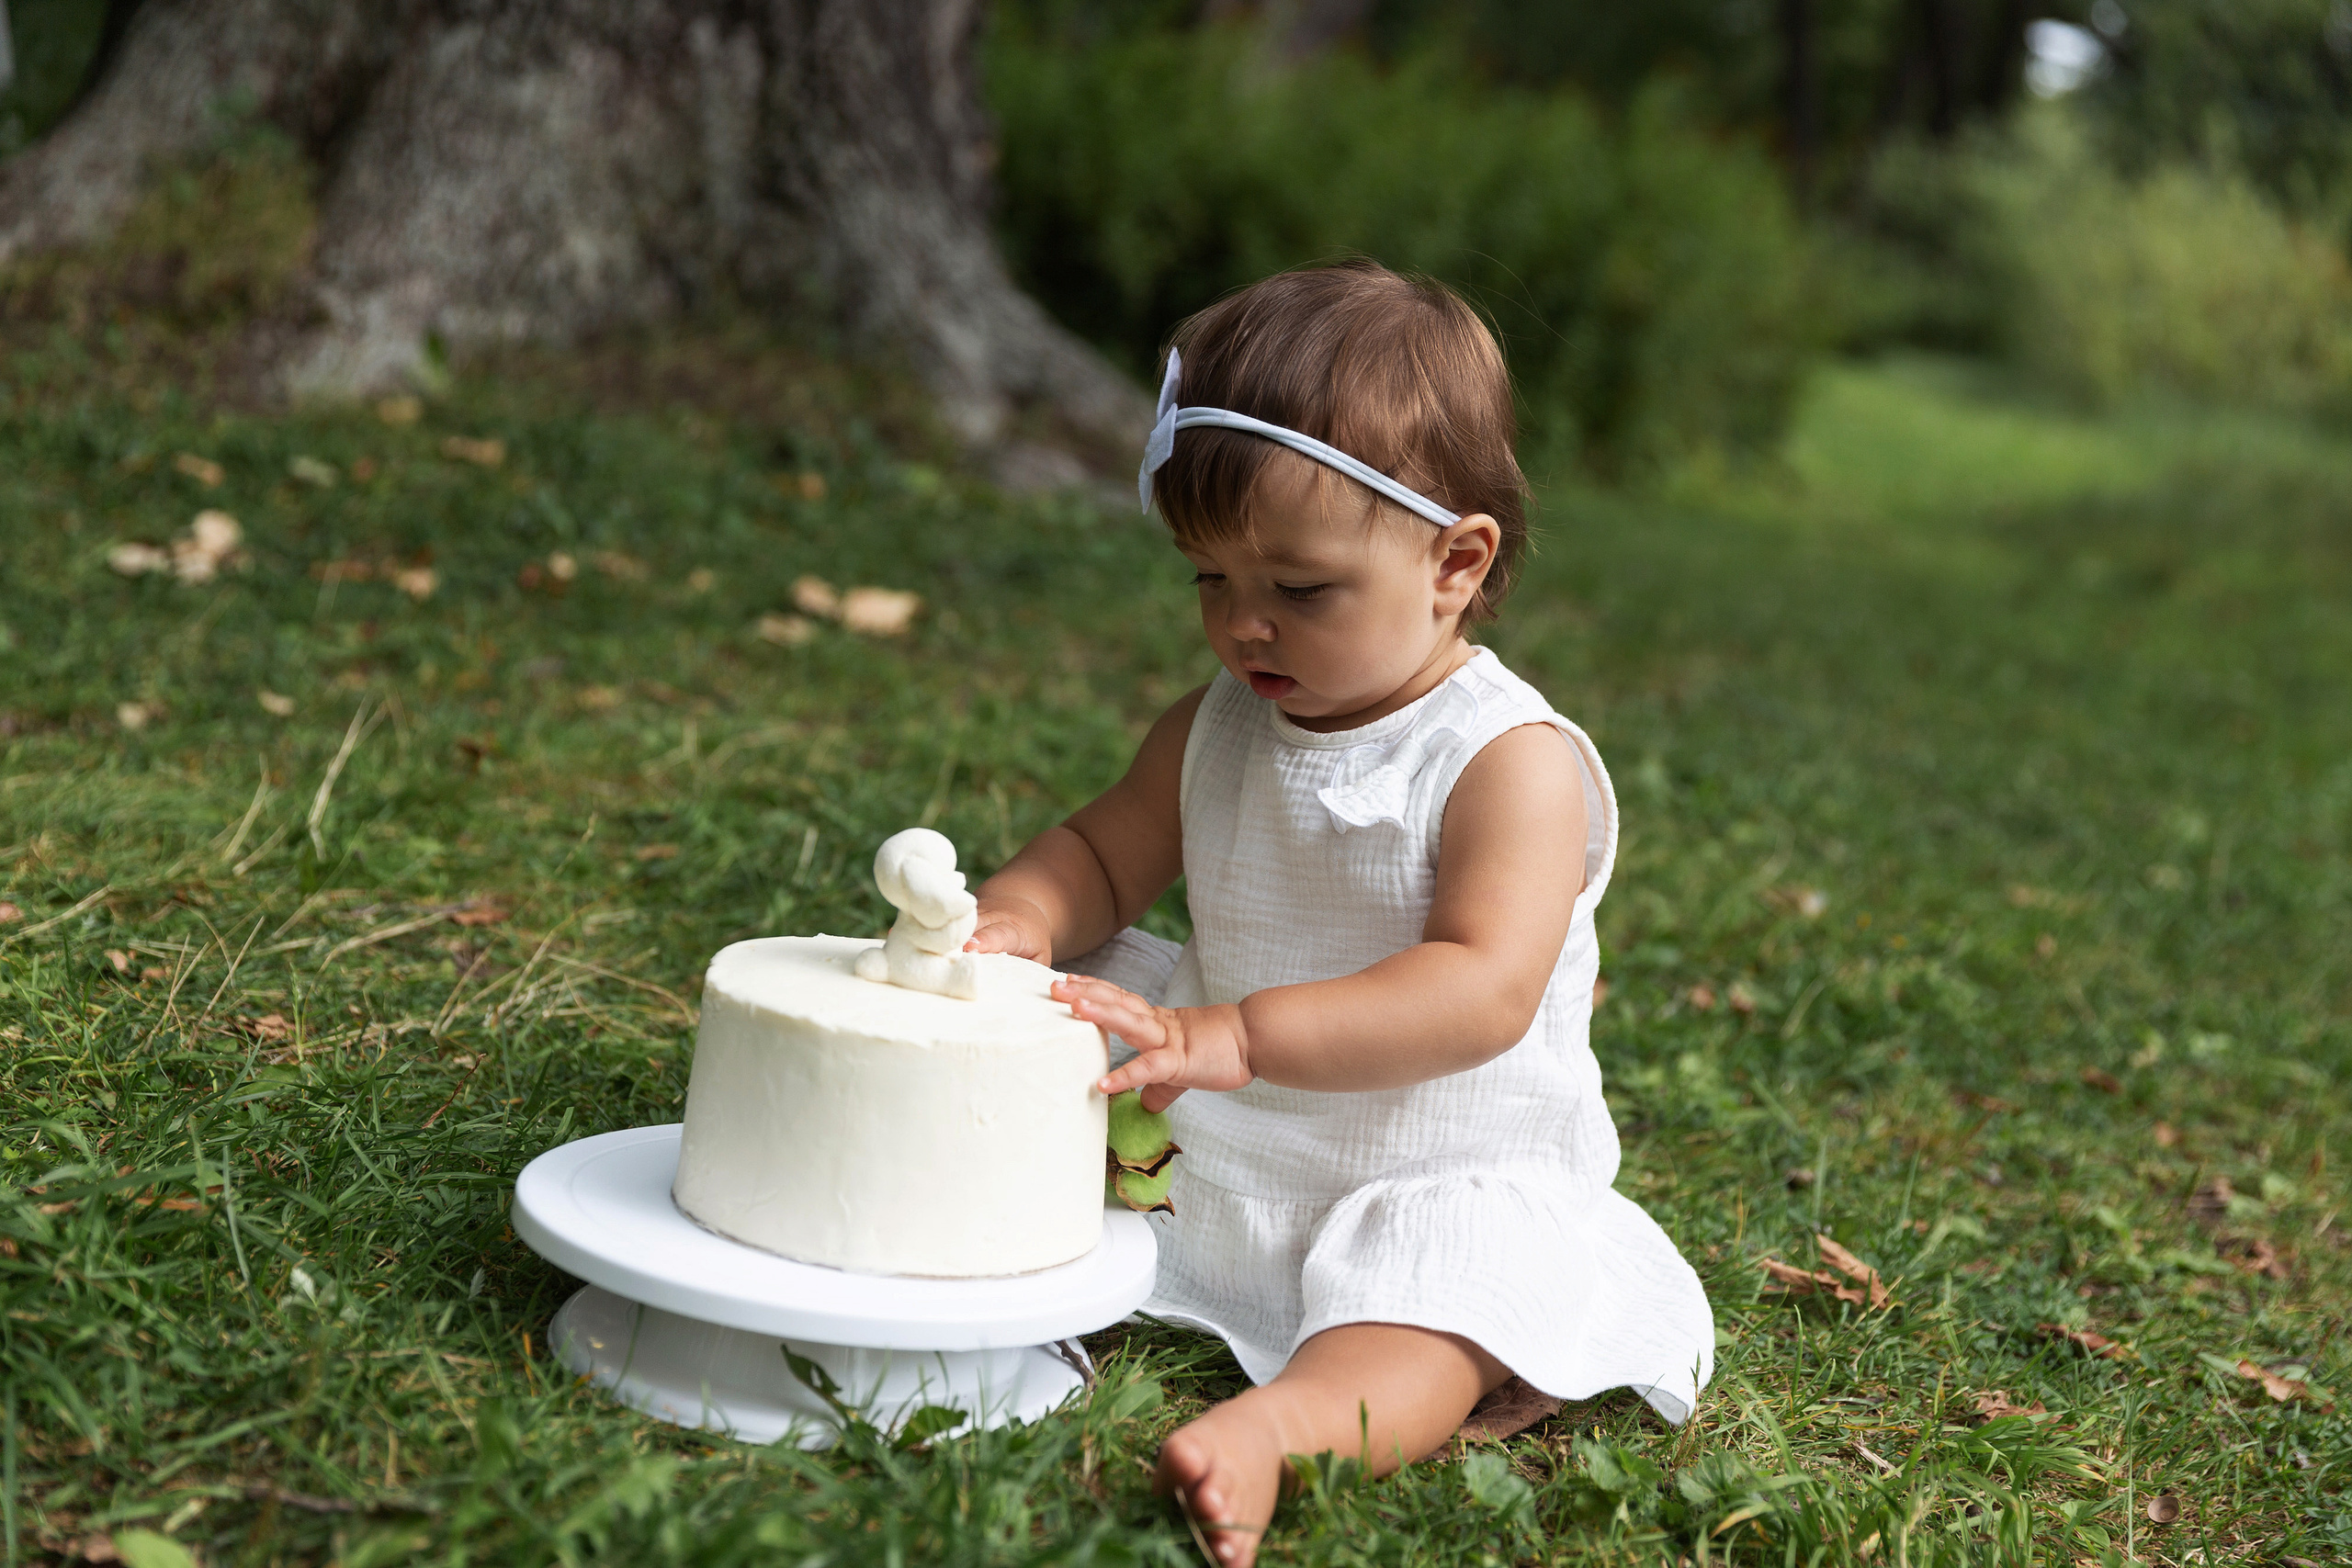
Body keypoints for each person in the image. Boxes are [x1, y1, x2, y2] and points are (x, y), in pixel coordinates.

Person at [967, 259, 1712, 1566]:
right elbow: (1102, 850)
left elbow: (1481, 989)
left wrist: (1243, 1034)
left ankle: (1286, 1429)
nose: (1243, 628)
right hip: (1218, 1110)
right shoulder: (1219, 726)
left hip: (1429, 1152)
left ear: (1454, 562)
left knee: (1443, 1297)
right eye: (1209, 581)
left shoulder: (1505, 763)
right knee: (1058, 1009)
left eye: (1300, 590)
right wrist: (1023, 914)